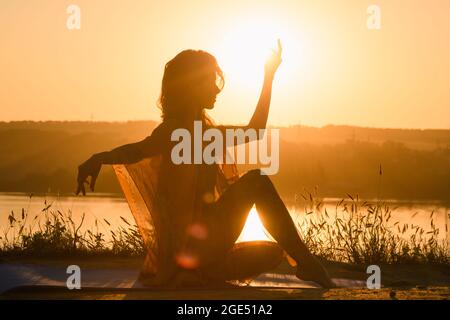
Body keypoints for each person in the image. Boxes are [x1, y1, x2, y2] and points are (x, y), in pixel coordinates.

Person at [76, 40, 335, 288]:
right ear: (191, 87)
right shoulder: (172, 133)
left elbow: (254, 131)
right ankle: (307, 264)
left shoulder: (206, 134)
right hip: (190, 246)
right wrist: (100, 158)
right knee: (257, 181)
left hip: (207, 240)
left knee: (272, 252)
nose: (216, 89)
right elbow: (136, 151)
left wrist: (269, 76)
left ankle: (202, 272)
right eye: (210, 82)